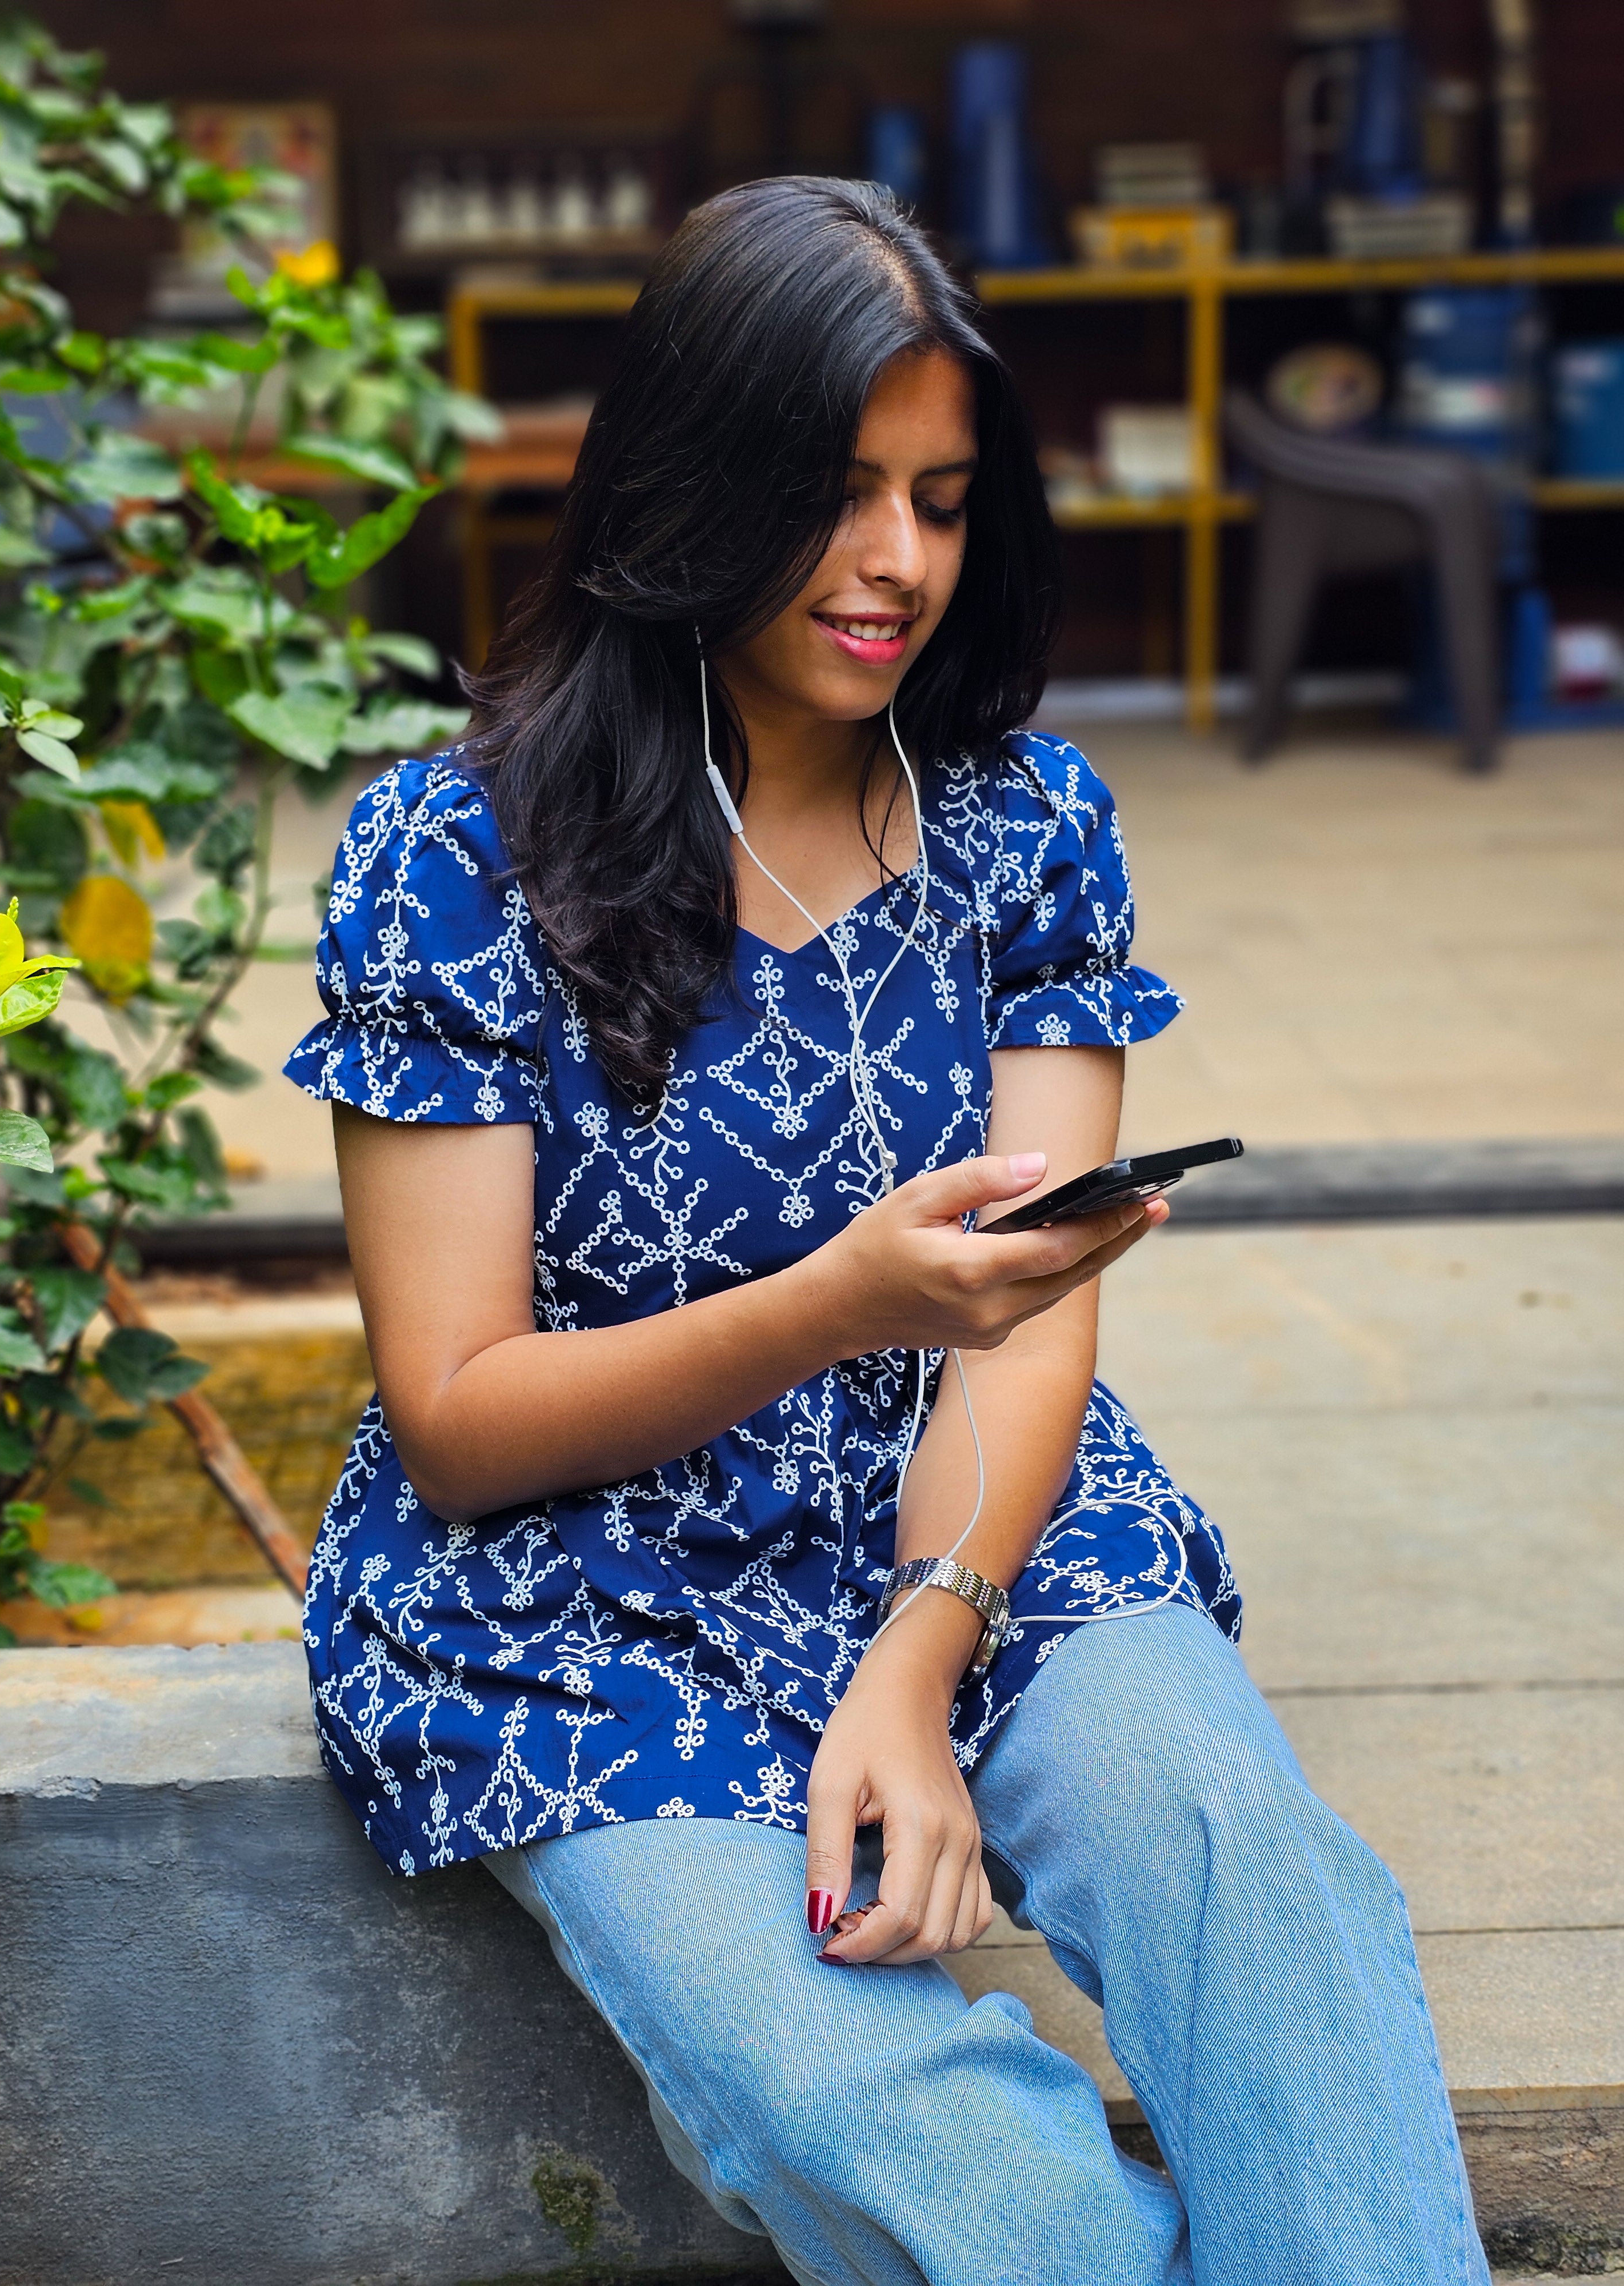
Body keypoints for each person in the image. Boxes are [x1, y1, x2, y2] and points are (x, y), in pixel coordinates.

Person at [286, 177, 1486, 2285]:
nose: (900, 565)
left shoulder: (1022, 823)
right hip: (581, 1593)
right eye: (840, 495)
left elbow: (1022, 1334)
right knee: (855, 2104)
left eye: (943, 499)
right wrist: (840, 1296)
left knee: (1250, 1866)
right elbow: (461, 1415)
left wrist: (919, 1660)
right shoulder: (456, 854)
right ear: (694, 482)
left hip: (971, 1511)